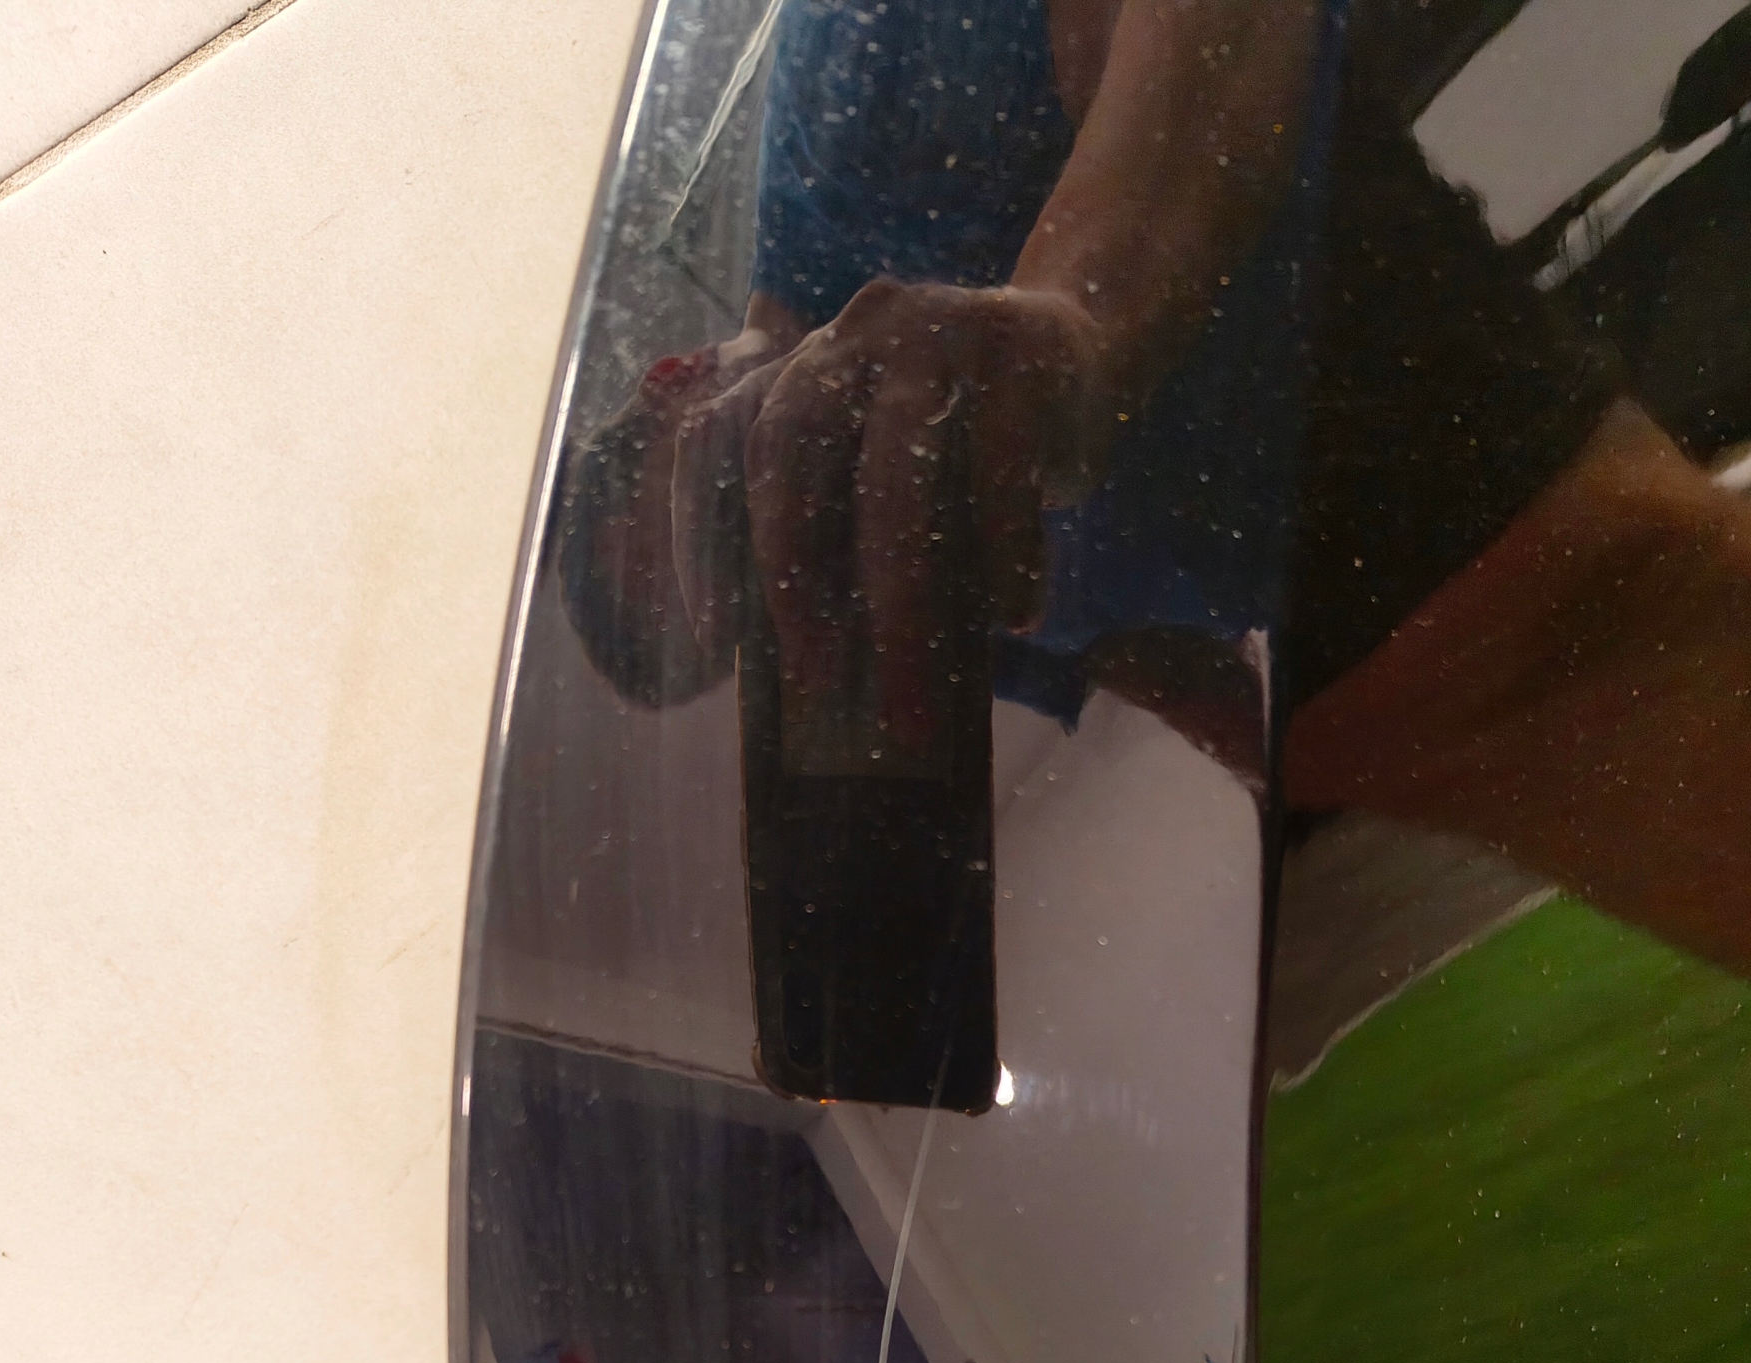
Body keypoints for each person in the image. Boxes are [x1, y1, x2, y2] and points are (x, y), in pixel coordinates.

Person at [561, 0, 1751, 979]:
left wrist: (1080, 313)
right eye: (748, 604)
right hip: (1476, 732)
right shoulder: (913, 561)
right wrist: (1272, 769)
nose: (776, 544)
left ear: (674, 382)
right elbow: (1138, 661)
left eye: (718, 517)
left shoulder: (833, 124)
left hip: (1541, 540)